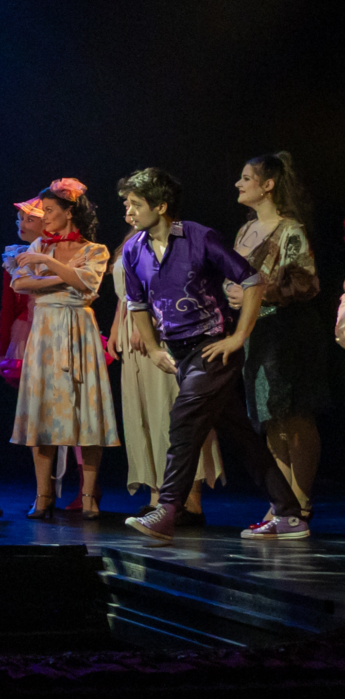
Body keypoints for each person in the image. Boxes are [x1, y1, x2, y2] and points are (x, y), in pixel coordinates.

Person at [116, 168, 303, 543]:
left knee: (184, 422)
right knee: (241, 434)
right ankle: (290, 515)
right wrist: (152, 348)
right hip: (180, 353)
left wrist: (238, 338)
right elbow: (136, 304)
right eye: (127, 204)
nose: (128, 212)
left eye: (135, 204)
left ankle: (167, 510)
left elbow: (252, 280)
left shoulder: (198, 237)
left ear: (161, 206)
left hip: (212, 348)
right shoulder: (134, 249)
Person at [8, 179, 119, 519]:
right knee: (42, 412)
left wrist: (49, 266)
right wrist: (65, 277)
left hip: (79, 331)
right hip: (44, 331)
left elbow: (89, 282)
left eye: (49, 210)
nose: (43, 217)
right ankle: (43, 496)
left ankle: (88, 496)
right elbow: (19, 282)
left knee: (87, 412)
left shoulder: (95, 250)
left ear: (69, 212)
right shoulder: (39, 245)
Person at [228, 153, 329, 527]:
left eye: (246, 178)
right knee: (270, 418)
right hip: (255, 332)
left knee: (294, 417)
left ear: (268, 185)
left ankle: (299, 503)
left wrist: (259, 294)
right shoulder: (244, 231)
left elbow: (305, 282)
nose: (239, 184)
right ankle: (282, 504)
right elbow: (233, 277)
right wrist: (232, 293)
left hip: (287, 332)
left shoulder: (290, 230)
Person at [109, 232, 220, 524]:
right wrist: (117, 326)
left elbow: (173, 284)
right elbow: (127, 292)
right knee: (145, 412)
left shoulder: (168, 238)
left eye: (134, 207)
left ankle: (190, 501)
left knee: (170, 409)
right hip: (132, 330)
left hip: (162, 329)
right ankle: (157, 496)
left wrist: (149, 321)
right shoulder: (131, 242)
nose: (129, 211)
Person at [0, 197, 46, 376]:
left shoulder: (59, 254)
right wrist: (3, 348)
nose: (22, 224)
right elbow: (8, 307)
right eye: (20, 219)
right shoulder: (14, 258)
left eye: (29, 220)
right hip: (27, 332)